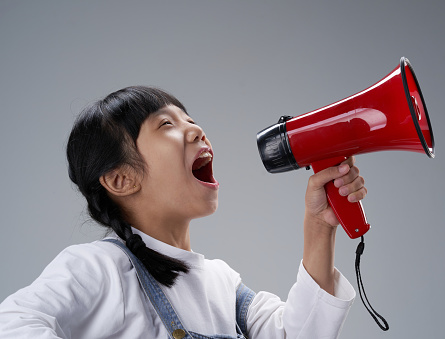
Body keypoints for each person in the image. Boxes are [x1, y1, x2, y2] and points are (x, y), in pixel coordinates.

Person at [0, 86, 367, 338]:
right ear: (121, 179)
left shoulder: (222, 283)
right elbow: (13, 323)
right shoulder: (98, 266)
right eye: (166, 124)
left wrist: (320, 226)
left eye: (190, 118)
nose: (195, 130)